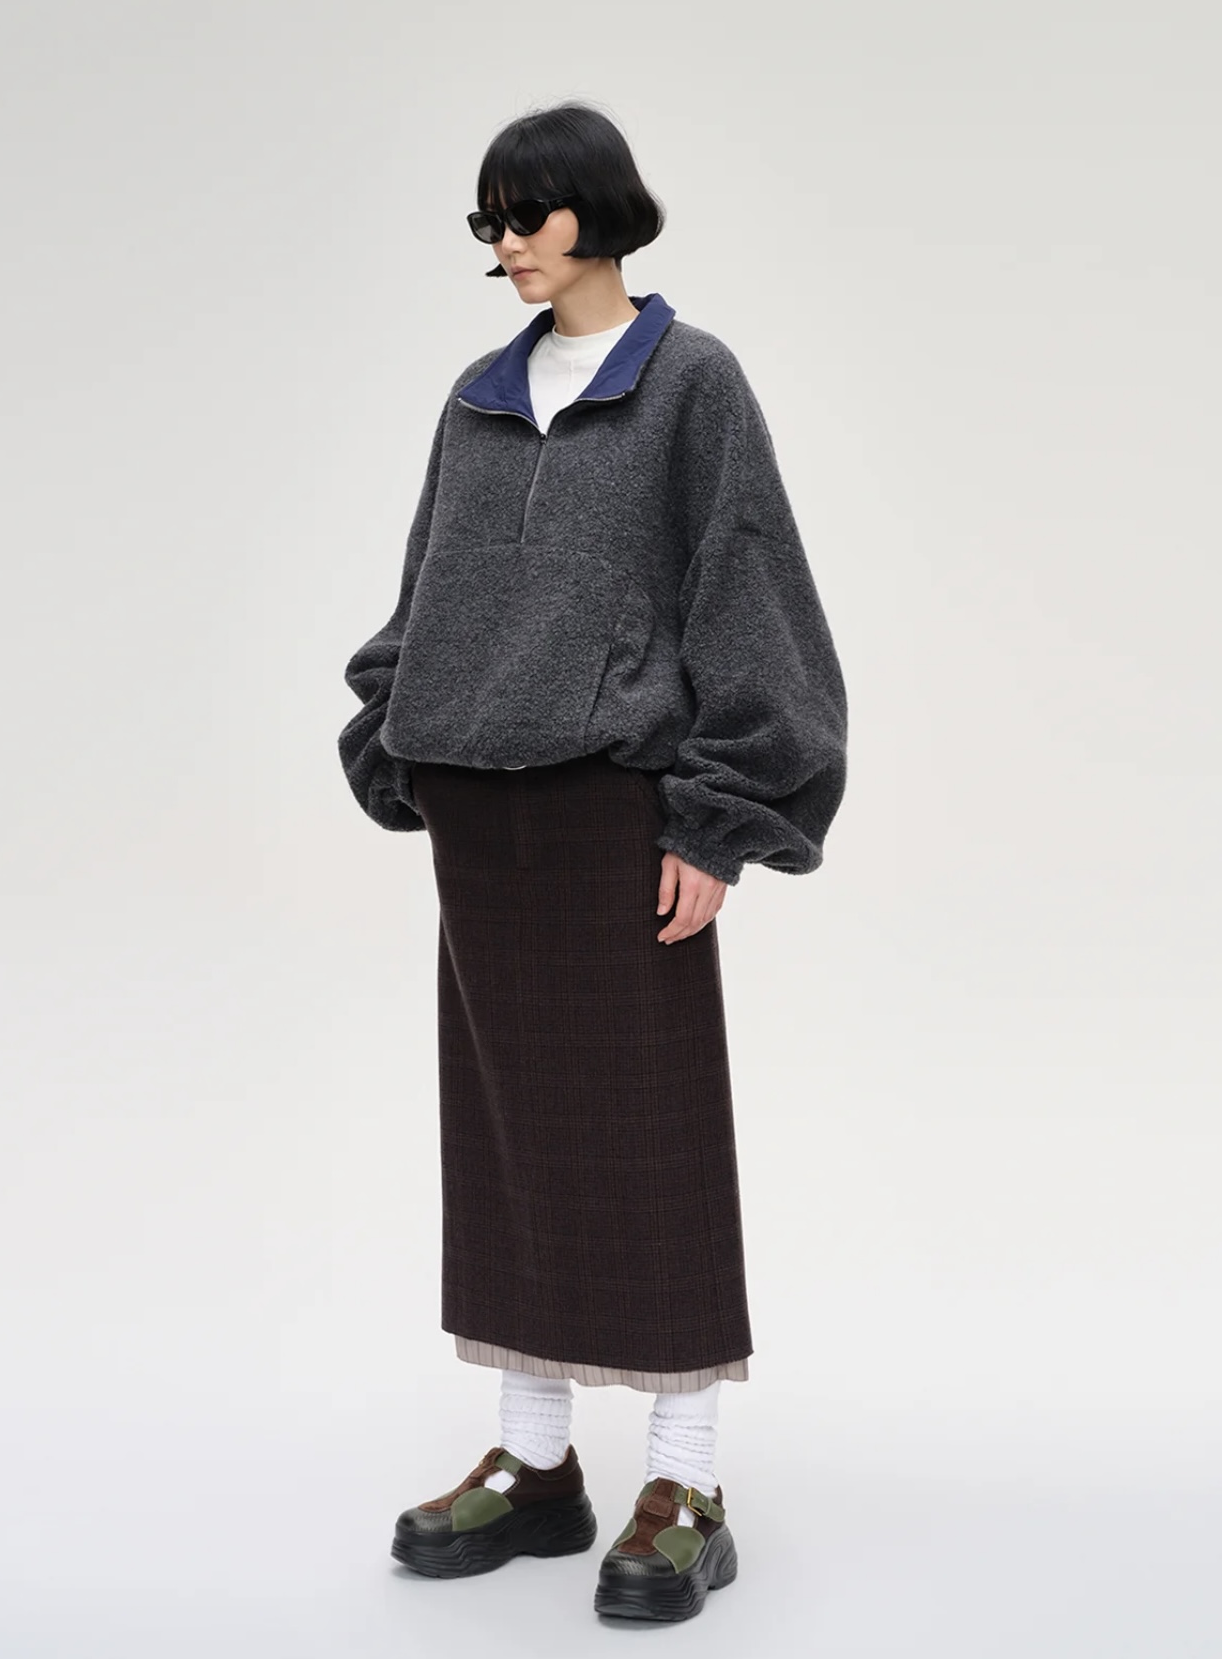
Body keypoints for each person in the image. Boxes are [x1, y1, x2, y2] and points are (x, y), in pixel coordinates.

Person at [337, 100, 848, 1623]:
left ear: (598, 212)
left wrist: (718, 818)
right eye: (487, 221)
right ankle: (535, 1463)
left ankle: (687, 1483)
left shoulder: (691, 383)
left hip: (621, 813)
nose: (504, 244)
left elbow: (747, 590)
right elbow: (426, 585)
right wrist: (401, 732)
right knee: (505, 1135)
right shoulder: (478, 397)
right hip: (482, 816)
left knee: (651, 1137)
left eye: (527, 215)